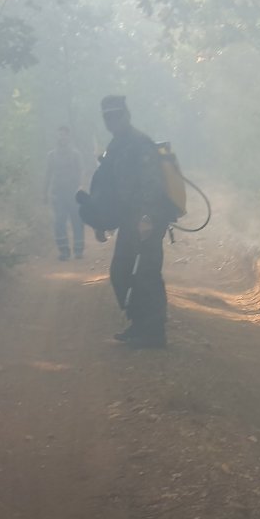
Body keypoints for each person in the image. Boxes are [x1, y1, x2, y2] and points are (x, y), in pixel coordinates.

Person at [93, 94, 172, 349]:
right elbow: (108, 188)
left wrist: (147, 218)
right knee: (120, 272)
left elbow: (153, 184)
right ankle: (139, 325)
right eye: (107, 116)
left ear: (126, 115)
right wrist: (101, 221)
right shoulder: (115, 145)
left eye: (116, 115)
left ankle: (154, 334)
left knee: (147, 275)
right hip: (130, 220)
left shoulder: (140, 143)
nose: (112, 120)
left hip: (149, 219)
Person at [43, 126, 85, 261]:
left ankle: (78, 250)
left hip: (73, 194)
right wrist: (44, 193)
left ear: (68, 136)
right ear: (57, 137)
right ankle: (64, 251)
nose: (62, 137)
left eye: (64, 135)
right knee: (59, 222)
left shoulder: (75, 154)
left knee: (77, 222)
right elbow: (47, 175)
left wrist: (81, 191)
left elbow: (81, 174)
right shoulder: (51, 155)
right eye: (60, 135)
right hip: (58, 195)